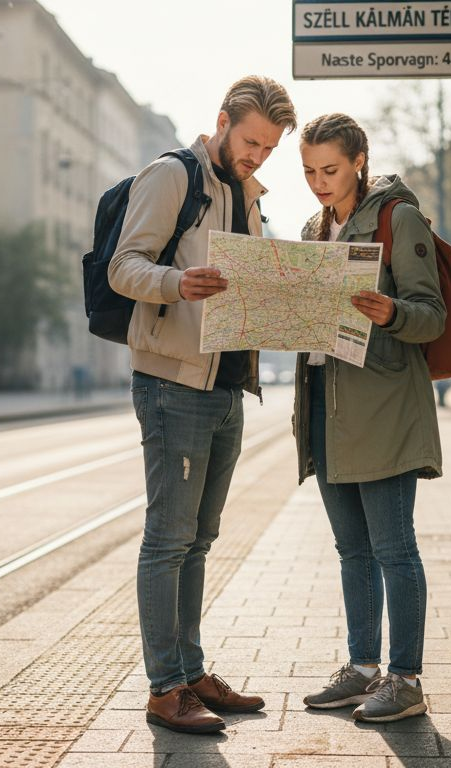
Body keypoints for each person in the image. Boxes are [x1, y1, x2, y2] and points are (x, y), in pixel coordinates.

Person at [108, 75, 297, 734]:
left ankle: (190, 671)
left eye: (269, 148)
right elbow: (122, 266)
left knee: (200, 539)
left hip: (225, 386)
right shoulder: (172, 176)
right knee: (167, 540)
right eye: (250, 142)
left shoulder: (248, 195)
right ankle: (165, 689)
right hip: (171, 385)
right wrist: (178, 283)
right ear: (222, 122)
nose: (256, 156)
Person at [292, 113, 445, 723]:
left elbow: (430, 315)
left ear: (359, 160)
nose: (318, 183)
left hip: (383, 408)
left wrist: (390, 313)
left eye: (329, 169)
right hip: (326, 409)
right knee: (351, 549)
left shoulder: (396, 217)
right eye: (307, 171)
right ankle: (362, 668)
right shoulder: (311, 228)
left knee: (393, 548)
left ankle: (406, 679)